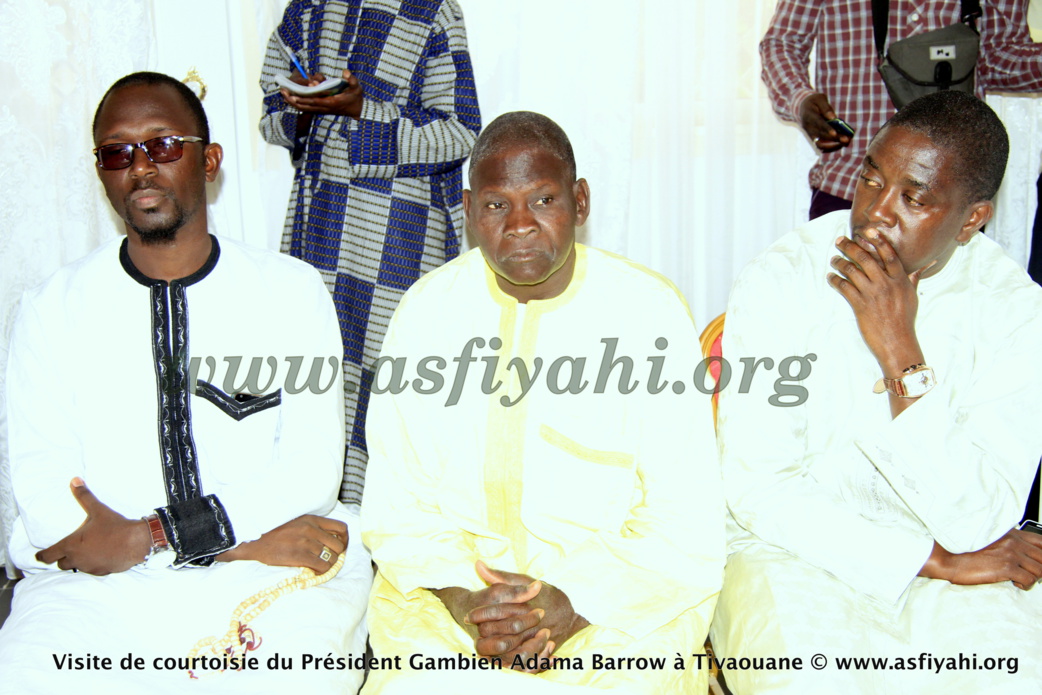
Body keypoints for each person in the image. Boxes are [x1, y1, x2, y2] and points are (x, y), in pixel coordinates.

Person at [0, 72, 371, 694]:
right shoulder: (49, 310)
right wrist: (218, 543)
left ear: (210, 161)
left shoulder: (289, 292)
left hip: (269, 573)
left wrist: (152, 537)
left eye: (163, 145)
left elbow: (310, 472)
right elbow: (46, 503)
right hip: (101, 588)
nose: (141, 167)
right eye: (118, 152)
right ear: (103, 175)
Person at [359, 112, 724, 694]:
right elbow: (398, 504)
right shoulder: (427, 312)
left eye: (543, 199)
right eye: (497, 204)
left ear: (580, 202)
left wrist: (578, 603)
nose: (521, 225)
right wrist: (468, 602)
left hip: (620, 598)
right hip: (449, 598)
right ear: (470, 210)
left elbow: (684, 516)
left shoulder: (647, 313)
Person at [713, 91, 1042, 693]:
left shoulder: (1015, 311)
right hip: (793, 553)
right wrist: (928, 559)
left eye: (913, 199)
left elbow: (979, 518)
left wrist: (900, 350)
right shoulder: (784, 277)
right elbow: (759, 487)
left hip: (963, 563)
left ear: (972, 219)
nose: (874, 213)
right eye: (870, 179)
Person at [259, 0, 481, 506]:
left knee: (394, 384)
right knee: (316, 375)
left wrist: (364, 111)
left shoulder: (431, 10)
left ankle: (397, 529)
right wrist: (299, 104)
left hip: (403, 236)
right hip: (317, 224)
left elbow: (461, 130)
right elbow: (273, 117)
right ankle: (319, 513)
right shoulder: (306, 10)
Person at [761, 0, 1042, 220]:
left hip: (949, 197)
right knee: (840, 293)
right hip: (849, 183)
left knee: (945, 296)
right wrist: (800, 100)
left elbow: (997, 60)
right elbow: (782, 42)